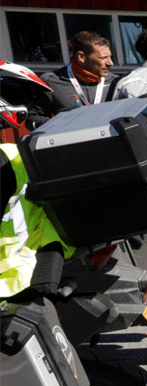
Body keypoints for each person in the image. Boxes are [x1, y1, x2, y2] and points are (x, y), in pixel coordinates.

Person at [1, 63, 73, 297]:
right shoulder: (19, 154)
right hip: (28, 273)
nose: (24, 106)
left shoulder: (10, 157)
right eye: (16, 95)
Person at [27, 31, 118, 125]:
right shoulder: (51, 81)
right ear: (81, 57)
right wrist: (62, 125)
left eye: (110, 57)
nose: (110, 63)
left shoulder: (116, 83)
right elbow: (32, 119)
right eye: (103, 58)